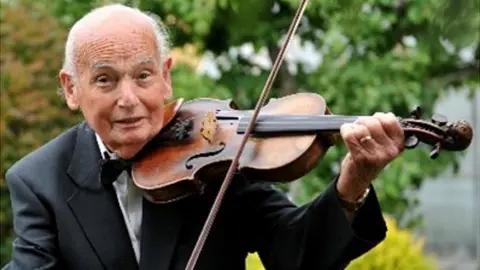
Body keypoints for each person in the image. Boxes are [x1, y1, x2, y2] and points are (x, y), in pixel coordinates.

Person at [3, 3, 406, 270]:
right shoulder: (38, 180)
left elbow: (297, 253)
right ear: (72, 89)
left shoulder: (215, 150)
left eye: (143, 76)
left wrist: (353, 182)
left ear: (165, 76)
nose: (129, 99)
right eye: (105, 80)